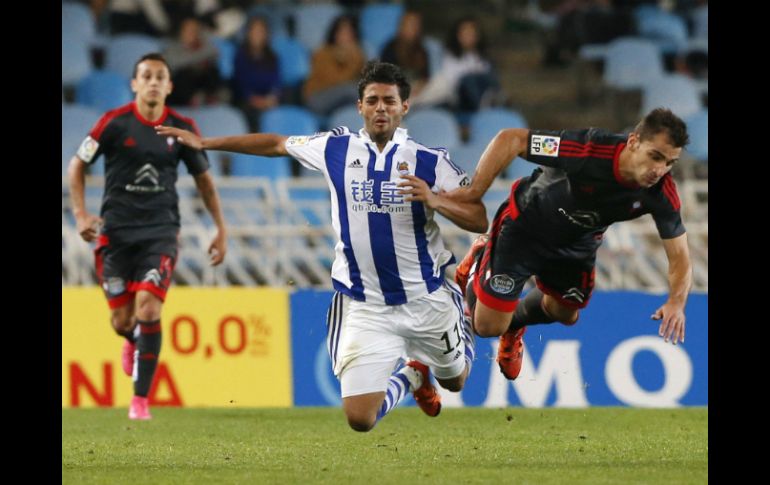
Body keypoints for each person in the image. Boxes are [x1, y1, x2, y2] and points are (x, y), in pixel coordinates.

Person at [157, 61, 487, 432]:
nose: (381, 108)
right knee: (360, 419)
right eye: (373, 100)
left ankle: (435, 346)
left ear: (405, 107)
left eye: (390, 101)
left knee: (455, 380)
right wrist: (205, 143)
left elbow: (478, 217)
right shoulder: (335, 148)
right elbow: (276, 144)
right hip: (366, 306)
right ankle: (412, 378)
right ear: (359, 107)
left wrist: (435, 200)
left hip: (425, 298)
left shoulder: (431, 162)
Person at [450, 108, 692, 381]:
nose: (660, 170)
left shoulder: (661, 193)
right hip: (525, 228)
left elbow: (680, 255)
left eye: (669, 163)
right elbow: (512, 140)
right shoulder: (587, 149)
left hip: (576, 247)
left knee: (565, 314)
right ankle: (481, 257)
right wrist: (474, 192)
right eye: (655, 156)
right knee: (486, 326)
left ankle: (514, 327)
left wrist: (676, 301)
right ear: (634, 141)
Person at [67, 53, 228, 420]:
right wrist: (80, 213)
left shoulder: (182, 128)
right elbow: (77, 165)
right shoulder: (113, 123)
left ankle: (140, 401)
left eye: (160, 77)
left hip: (161, 232)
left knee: (149, 307)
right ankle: (132, 339)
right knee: (122, 320)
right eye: (146, 76)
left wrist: (221, 228)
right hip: (116, 234)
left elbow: (204, 181)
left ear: (169, 86)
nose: (153, 82)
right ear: (135, 84)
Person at [302, 14, 366, 117]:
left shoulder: (357, 53)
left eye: (349, 33)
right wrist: (353, 60)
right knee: (352, 89)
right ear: (334, 33)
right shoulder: (322, 53)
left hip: (341, 100)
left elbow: (364, 77)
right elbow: (335, 81)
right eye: (342, 32)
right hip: (316, 98)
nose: (346, 36)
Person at [231, 15, 281, 132]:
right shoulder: (240, 56)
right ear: (248, 33)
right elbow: (241, 85)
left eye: (261, 31)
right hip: (247, 102)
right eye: (255, 31)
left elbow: (276, 82)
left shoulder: (272, 57)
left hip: (268, 100)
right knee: (254, 114)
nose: (258, 34)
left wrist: (272, 98)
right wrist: (257, 101)